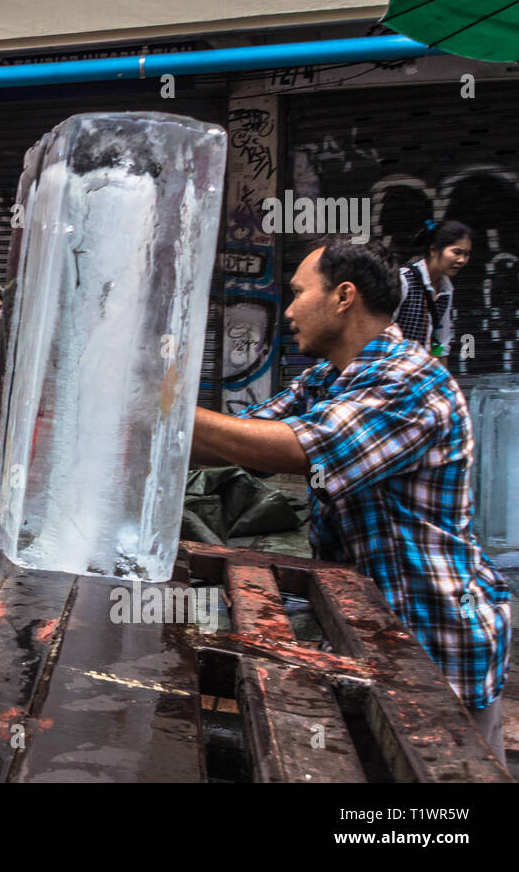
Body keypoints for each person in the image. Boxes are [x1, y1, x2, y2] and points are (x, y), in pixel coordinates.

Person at [191, 235, 510, 761]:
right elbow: (240, 439)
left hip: (434, 642)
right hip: (372, 634)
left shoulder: (410, 380)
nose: (287, 310)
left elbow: (299, 448)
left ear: (343, 297)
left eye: (297, 293)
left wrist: (153, 403)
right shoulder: (327, 380)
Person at [393, 219, 472, 367]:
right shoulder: (403, 281)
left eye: (466, 254)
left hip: (418, 376)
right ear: (434, 249)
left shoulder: (446, 290)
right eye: (457, 252)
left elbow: (440, 343)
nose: (462, 260)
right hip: (392, 374)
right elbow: (380, 333)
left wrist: (442, 382)